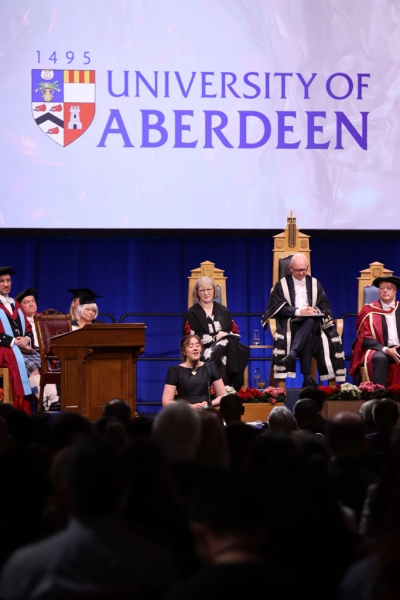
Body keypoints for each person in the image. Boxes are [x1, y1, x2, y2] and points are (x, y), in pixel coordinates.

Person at [261, 252, 346, 388]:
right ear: (290, 268)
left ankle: (293, 353)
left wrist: (315, 310)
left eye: (304, 270)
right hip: (292, 325)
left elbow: (325, 306)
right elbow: (276, 308)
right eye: (297, 270)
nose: (301, 273)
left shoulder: (315, 284)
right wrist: (299, 311)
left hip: (315, 324)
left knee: (310, 320)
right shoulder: (281, 285)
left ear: (308, 267)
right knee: (308, 334)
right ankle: (307, 378)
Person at [183, 276, 250, 390]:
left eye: (209, 289)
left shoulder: (223, 310)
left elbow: (233, 331)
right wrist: (215, 338)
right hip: (204, 350)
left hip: (226, 349)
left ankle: (226, 389)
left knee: (233, 346)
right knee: (228, 347)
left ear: (214, 290)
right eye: (202, 290)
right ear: (197, 292)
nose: (206, 293)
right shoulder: (192, 313)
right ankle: (230, 387)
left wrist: (224, 334)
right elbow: (192, 338)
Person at [0, 266, 41, 415]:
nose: (6, 284)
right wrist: (13, 341)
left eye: (8, 280)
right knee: (30, 364)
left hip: (19, 349)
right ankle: (46, 401)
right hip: (4, 349)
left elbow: (28, 328)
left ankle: (51, 401)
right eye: (2, 281)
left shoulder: (15, 304)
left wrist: (26, 338)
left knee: (43, 362)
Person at [14, 287, 60, 411]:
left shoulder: (43, 318)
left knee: (46, 365)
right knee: (36, 366)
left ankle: (53, 400)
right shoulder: (17, 322)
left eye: (33, 301)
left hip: (46, 352)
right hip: (26, 352)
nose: (31, 304)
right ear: (20, 307)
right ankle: (47, 403)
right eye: (26, 302)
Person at [350, 275, 400, 387]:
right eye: (382, 288)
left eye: (389, 288)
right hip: (379, 349)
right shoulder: (369, 310)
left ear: (395, 291)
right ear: (378, 291)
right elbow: (364, 337)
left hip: (398, 348)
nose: (385, 291)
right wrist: (386, 349)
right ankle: (379, 394)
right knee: (379, 358)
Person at [162, 334, 226, 409]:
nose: (195, 348)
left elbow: (223, 395)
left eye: (197, 345)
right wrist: (191, 407)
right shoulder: (175, 371)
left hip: (205, 412)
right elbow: (166, 402)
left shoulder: (210, 367)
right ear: (184, 352)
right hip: (186, 413)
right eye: (191, 346)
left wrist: (209, 404)